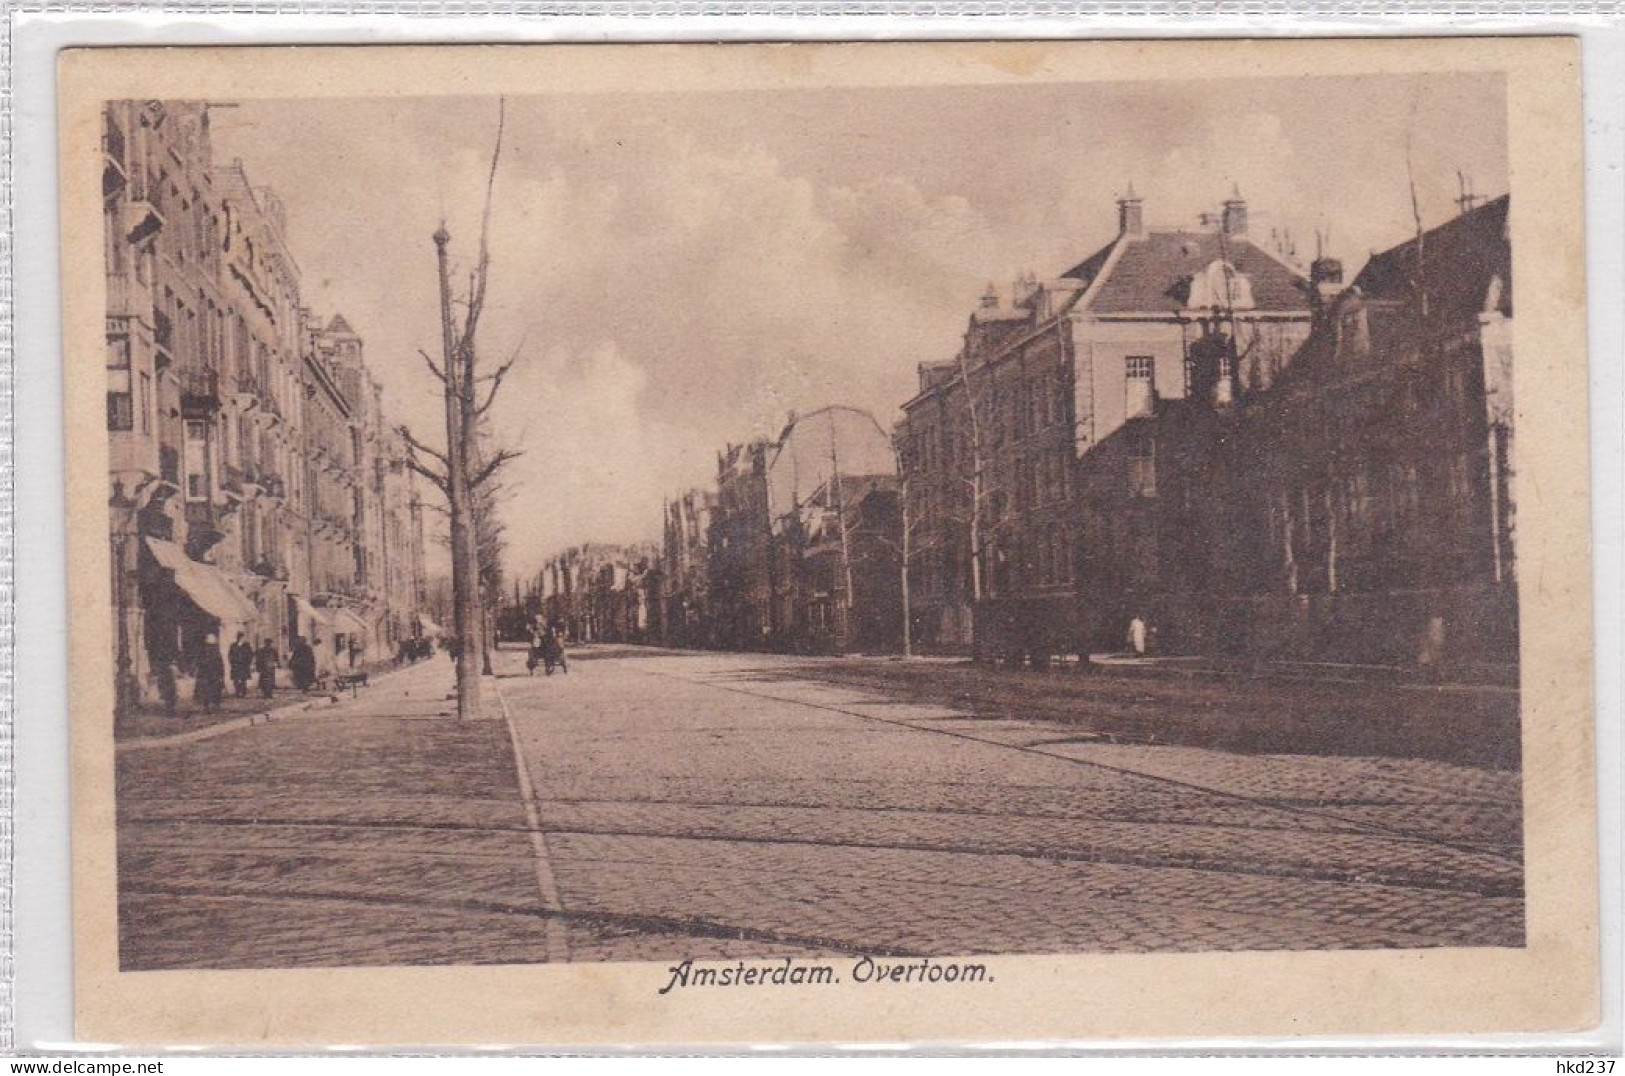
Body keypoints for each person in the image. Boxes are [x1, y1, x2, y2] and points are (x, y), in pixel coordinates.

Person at [194, 633, 226, 709]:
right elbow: (220, 664)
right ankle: (214, 704)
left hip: (207, 673)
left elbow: (199, 662)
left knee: (207, 689)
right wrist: (221, 674)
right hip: (213, 673)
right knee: (214, 689)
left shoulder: (203, 651)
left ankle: (207, 705)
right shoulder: (215, 651)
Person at [228, 633, 254, 698]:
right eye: (241, 638)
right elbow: (230, 655)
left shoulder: (247, 645)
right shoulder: (233, 645)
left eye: (243, 638)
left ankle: (243, 693)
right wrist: (232, 662)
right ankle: (237, 691)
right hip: (236, 665)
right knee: (236, 680)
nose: (242, 639)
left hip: (244, 665)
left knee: (243, 680)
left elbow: (251, 654)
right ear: (238, 638)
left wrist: (248, 662)